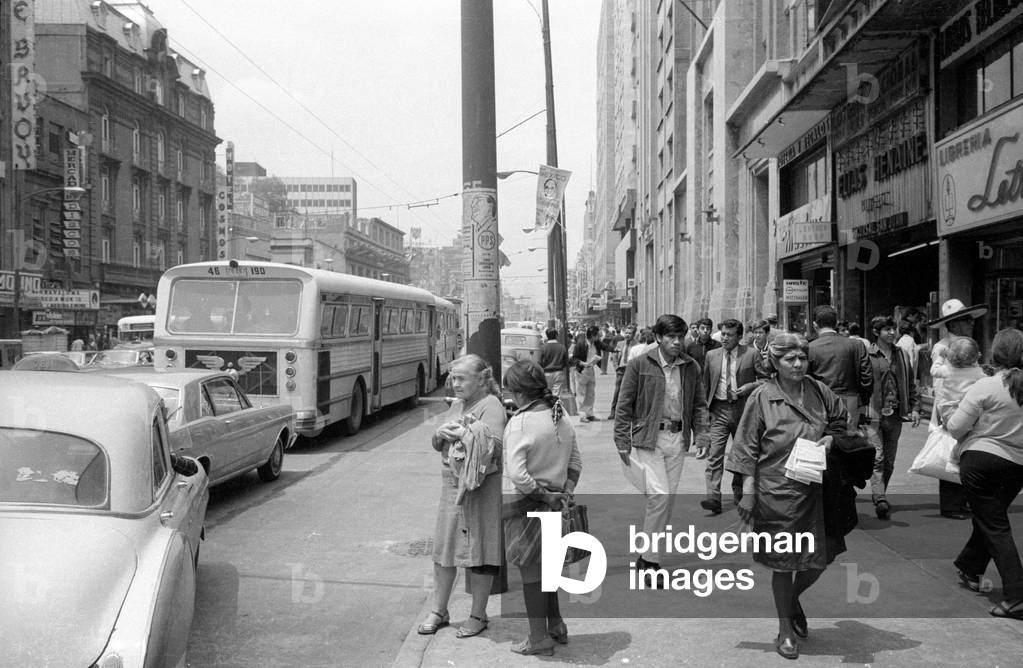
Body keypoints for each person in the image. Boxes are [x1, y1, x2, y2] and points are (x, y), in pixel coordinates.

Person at [726, 333, 849, 660]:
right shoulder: (762, 397)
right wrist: (748, 495)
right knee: (783, 564)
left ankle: (791, 600)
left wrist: (831, 439)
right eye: (789, 359)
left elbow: (842, 420)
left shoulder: (819, 390)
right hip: (777, 492)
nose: (797, 364)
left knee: (823, 557)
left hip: (819, 490)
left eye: (802, 358)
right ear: (775, 363)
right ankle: (785, 629)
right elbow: (745, 448)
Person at [613, 314, 709, 581]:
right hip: (649, 438)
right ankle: (650, 562)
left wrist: (702, 436)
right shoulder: (639, 364)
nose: (677, 342)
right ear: (658, 337)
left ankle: (647, 555)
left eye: (681, 337)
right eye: (671, 337)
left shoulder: (690, 367)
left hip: (677, 440)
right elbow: (624, 404)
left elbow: (699, 404)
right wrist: (622, 440)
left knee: (665, 501)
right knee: (660, 497)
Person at [419, 355, 506, 639]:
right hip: (452, 486)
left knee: (481, 552)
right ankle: (439, 610)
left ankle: (478, 614)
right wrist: (440, 433)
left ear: (481, 379)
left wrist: (463, 433)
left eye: (461, 378)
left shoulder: (491, 405)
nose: (455, 384)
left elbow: (494, 447)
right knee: (444, 550)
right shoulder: (457, 404)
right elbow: (438, 444)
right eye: (453, 378)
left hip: (480, 489)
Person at [502, 360, 582, 656]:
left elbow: (518, 474)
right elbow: (576, 462)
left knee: (531, 573)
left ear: (517, 392)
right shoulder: (560, 415)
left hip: (525, 507)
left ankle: (538, 637)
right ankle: (556, 624)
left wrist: (545, 496)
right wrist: (563, 493)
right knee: (548, 569)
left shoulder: (519, 423)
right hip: (557, 503)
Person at [946, 328, 1023, 620]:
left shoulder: (987, 385)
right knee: (991, 518)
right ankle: (970, 566)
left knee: (994, 524)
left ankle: (1017, 594)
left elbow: (956, 427)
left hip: (981, 461)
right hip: (1017, 465)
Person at [927, 298, 989, 520]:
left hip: (969, 409)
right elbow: (940, 385)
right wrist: (945, 414)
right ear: (953, 324)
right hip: (952, 409)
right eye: (966, 320)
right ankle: (952, 505)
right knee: (951, 455)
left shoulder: (967, 344)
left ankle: (963, 501)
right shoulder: (943, 347)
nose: (971, 323)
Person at [698, 319, 769, 509]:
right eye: (723, 334)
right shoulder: (712, 355)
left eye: (729, 335)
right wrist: (703, 414)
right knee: (714, 454)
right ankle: (713, 497)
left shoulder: (751, 354)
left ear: (739, 337)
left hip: (744, 410)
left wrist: (749, 387)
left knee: (742, 454)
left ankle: (739, 494)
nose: (725, 338)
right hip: (719, 410)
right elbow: (705, 386)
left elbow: (765, 380)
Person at [864, 315, 921, 520]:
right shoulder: (867, 355)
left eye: (892, 329)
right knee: (877, 457)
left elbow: (911, 383)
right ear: (876, 332)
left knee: (889, 460)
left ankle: (881, 493)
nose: (891, 333)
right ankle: (880, 497)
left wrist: (915, 407)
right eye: (886, 329)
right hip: (873, 414)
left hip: (895, 414)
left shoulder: (901, 354)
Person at [807, 305, 873, 431]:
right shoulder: (857, 345)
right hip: (852, 401)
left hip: (821, 404)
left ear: (815, 325)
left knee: (824, 439)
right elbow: (867, 377)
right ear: (836, 323)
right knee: (849, 439)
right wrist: (862, 401)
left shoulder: (810, 348)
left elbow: (806, 379)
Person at [570, 326, 603, 423]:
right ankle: (582, 415)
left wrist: (614, 349)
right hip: (582, 371)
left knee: (590, 393)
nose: (599, 337)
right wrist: (582, 363)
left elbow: (605, 346)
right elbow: (574, 358)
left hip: (591, 370)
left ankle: (590, 414)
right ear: (592, 335)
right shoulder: (580, 344)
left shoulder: (595, 343)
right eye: (597, 335)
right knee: (581, 394)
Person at [608, 323, 638, 419]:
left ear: (634, 334)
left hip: (631, 371)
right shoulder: (620, 344)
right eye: (626, 333)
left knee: (631, 392)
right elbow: (615, 356)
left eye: (630, 333)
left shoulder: (636, 345)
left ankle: (630, 412)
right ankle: (613, 411)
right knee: (617, 391)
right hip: (621, 370)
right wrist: (616, 367)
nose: (627, 335)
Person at [538, 328, 568, 396]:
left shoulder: (543, 347)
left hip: (546, 373)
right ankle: (555, 402)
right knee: (556, 395)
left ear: (547, 336)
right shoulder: (562, 347)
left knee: (547, 394)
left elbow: (540, 362)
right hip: (558, 372)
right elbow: (566, 361)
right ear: (556, 335)